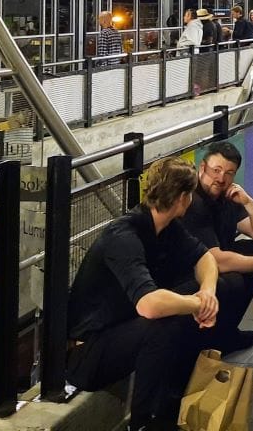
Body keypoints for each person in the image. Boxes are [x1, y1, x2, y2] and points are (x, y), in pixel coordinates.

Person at [66, 157, 219, 431]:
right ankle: (141, 423)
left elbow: (205, 257)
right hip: (85, 354)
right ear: (184, 198)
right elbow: (149, 306)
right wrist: (197, 304)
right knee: (164, 322)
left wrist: (207, 293)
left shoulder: (166, 227)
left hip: (119, 332)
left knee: (185, 298)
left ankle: (171, 401)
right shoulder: (124, 235)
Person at [180, 142, 253, 353]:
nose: (221, 178)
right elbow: (214, 259)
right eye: (216, 170)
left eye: (228, 173)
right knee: (233, 281)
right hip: (186, 271)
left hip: (214, 260)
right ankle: (210, 339)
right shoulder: (193, 201)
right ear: (202, 168)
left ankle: (226, 332)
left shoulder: (228, 196)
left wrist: (248, 202)